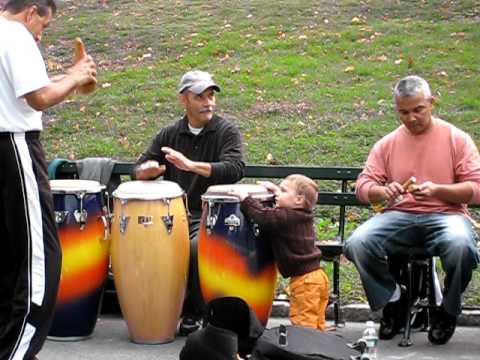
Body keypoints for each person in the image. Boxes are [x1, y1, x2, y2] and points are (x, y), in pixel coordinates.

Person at [344, 75, 480, 345]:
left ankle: (448, 310)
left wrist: (438, 190)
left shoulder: (456, 139)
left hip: (447, 215)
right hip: (399, 216)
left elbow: (476, 188)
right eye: (403, 112)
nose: (411, 118)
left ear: (432, 102)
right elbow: (363, 186)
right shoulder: (388, 143)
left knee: (462, 245)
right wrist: (381, 192)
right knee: (357, 242)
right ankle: (393, 299)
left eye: (418, 109)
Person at [0, 1, 97, 359]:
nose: (42, 34)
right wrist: (75, 75)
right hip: (15, 148)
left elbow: (25, 95)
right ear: (31, 13)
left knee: (10, 261)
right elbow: (38, 98)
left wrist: (71, 81)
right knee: (40, 261)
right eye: (45, 24)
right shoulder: (16, 36)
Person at [133, 69, 245, 335]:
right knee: (140, 241)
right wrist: (145, 172)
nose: (208, 102)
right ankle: (151, 311)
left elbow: (235, 168)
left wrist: (190, 165)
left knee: (194, 248)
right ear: (184, 99)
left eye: (211, 96)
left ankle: (193, 313)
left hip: (212, 214)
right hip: (170, 213)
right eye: (200, 97)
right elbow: (138, 168)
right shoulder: (170, 133)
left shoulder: (226, 131)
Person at [229, 174, 329, 331]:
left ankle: (305, 351)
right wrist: (277, 191)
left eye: (283, 190)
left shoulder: (286, 216)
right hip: (316, 277)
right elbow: (283, 207)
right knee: (316, 321)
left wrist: (245, 199)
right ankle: (319, 348)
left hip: (305, 281)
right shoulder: (300, 214)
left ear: (298, 200)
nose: (278, 194)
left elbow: (263, 217)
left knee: (304, 324)